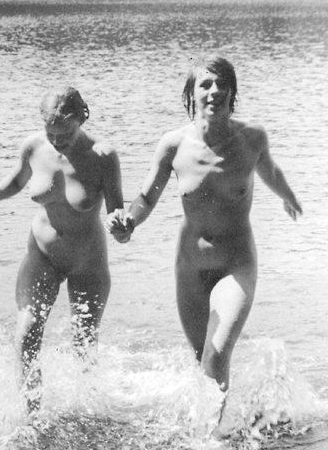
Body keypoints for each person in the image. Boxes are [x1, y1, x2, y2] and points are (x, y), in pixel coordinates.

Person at [108, 56, 302, 391]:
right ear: (191, 94)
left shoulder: (252, 138)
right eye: (206, 84)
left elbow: (270, 170)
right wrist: (129, 222)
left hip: (236, 264)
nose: (215, 91)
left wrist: (288, 196)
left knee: (217, 353)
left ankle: (215, 426)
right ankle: (228, 414)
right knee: (202, 358)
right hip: (190, 267)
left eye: (222, 84)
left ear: (232, 92)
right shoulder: (173, 145)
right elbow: (146, 198)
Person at [0, 86, 125, 407]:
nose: (57, 140)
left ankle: (87, 412)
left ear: (82, 118)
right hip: (43, 255)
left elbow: (116, 211)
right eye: (50, 132)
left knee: (84, 344)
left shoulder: (103, 156)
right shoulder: (34, 147)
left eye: (65, 133)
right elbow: (17, 180)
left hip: (88, 261)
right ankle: (30, 412)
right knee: (27, 332)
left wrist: (121, 228)